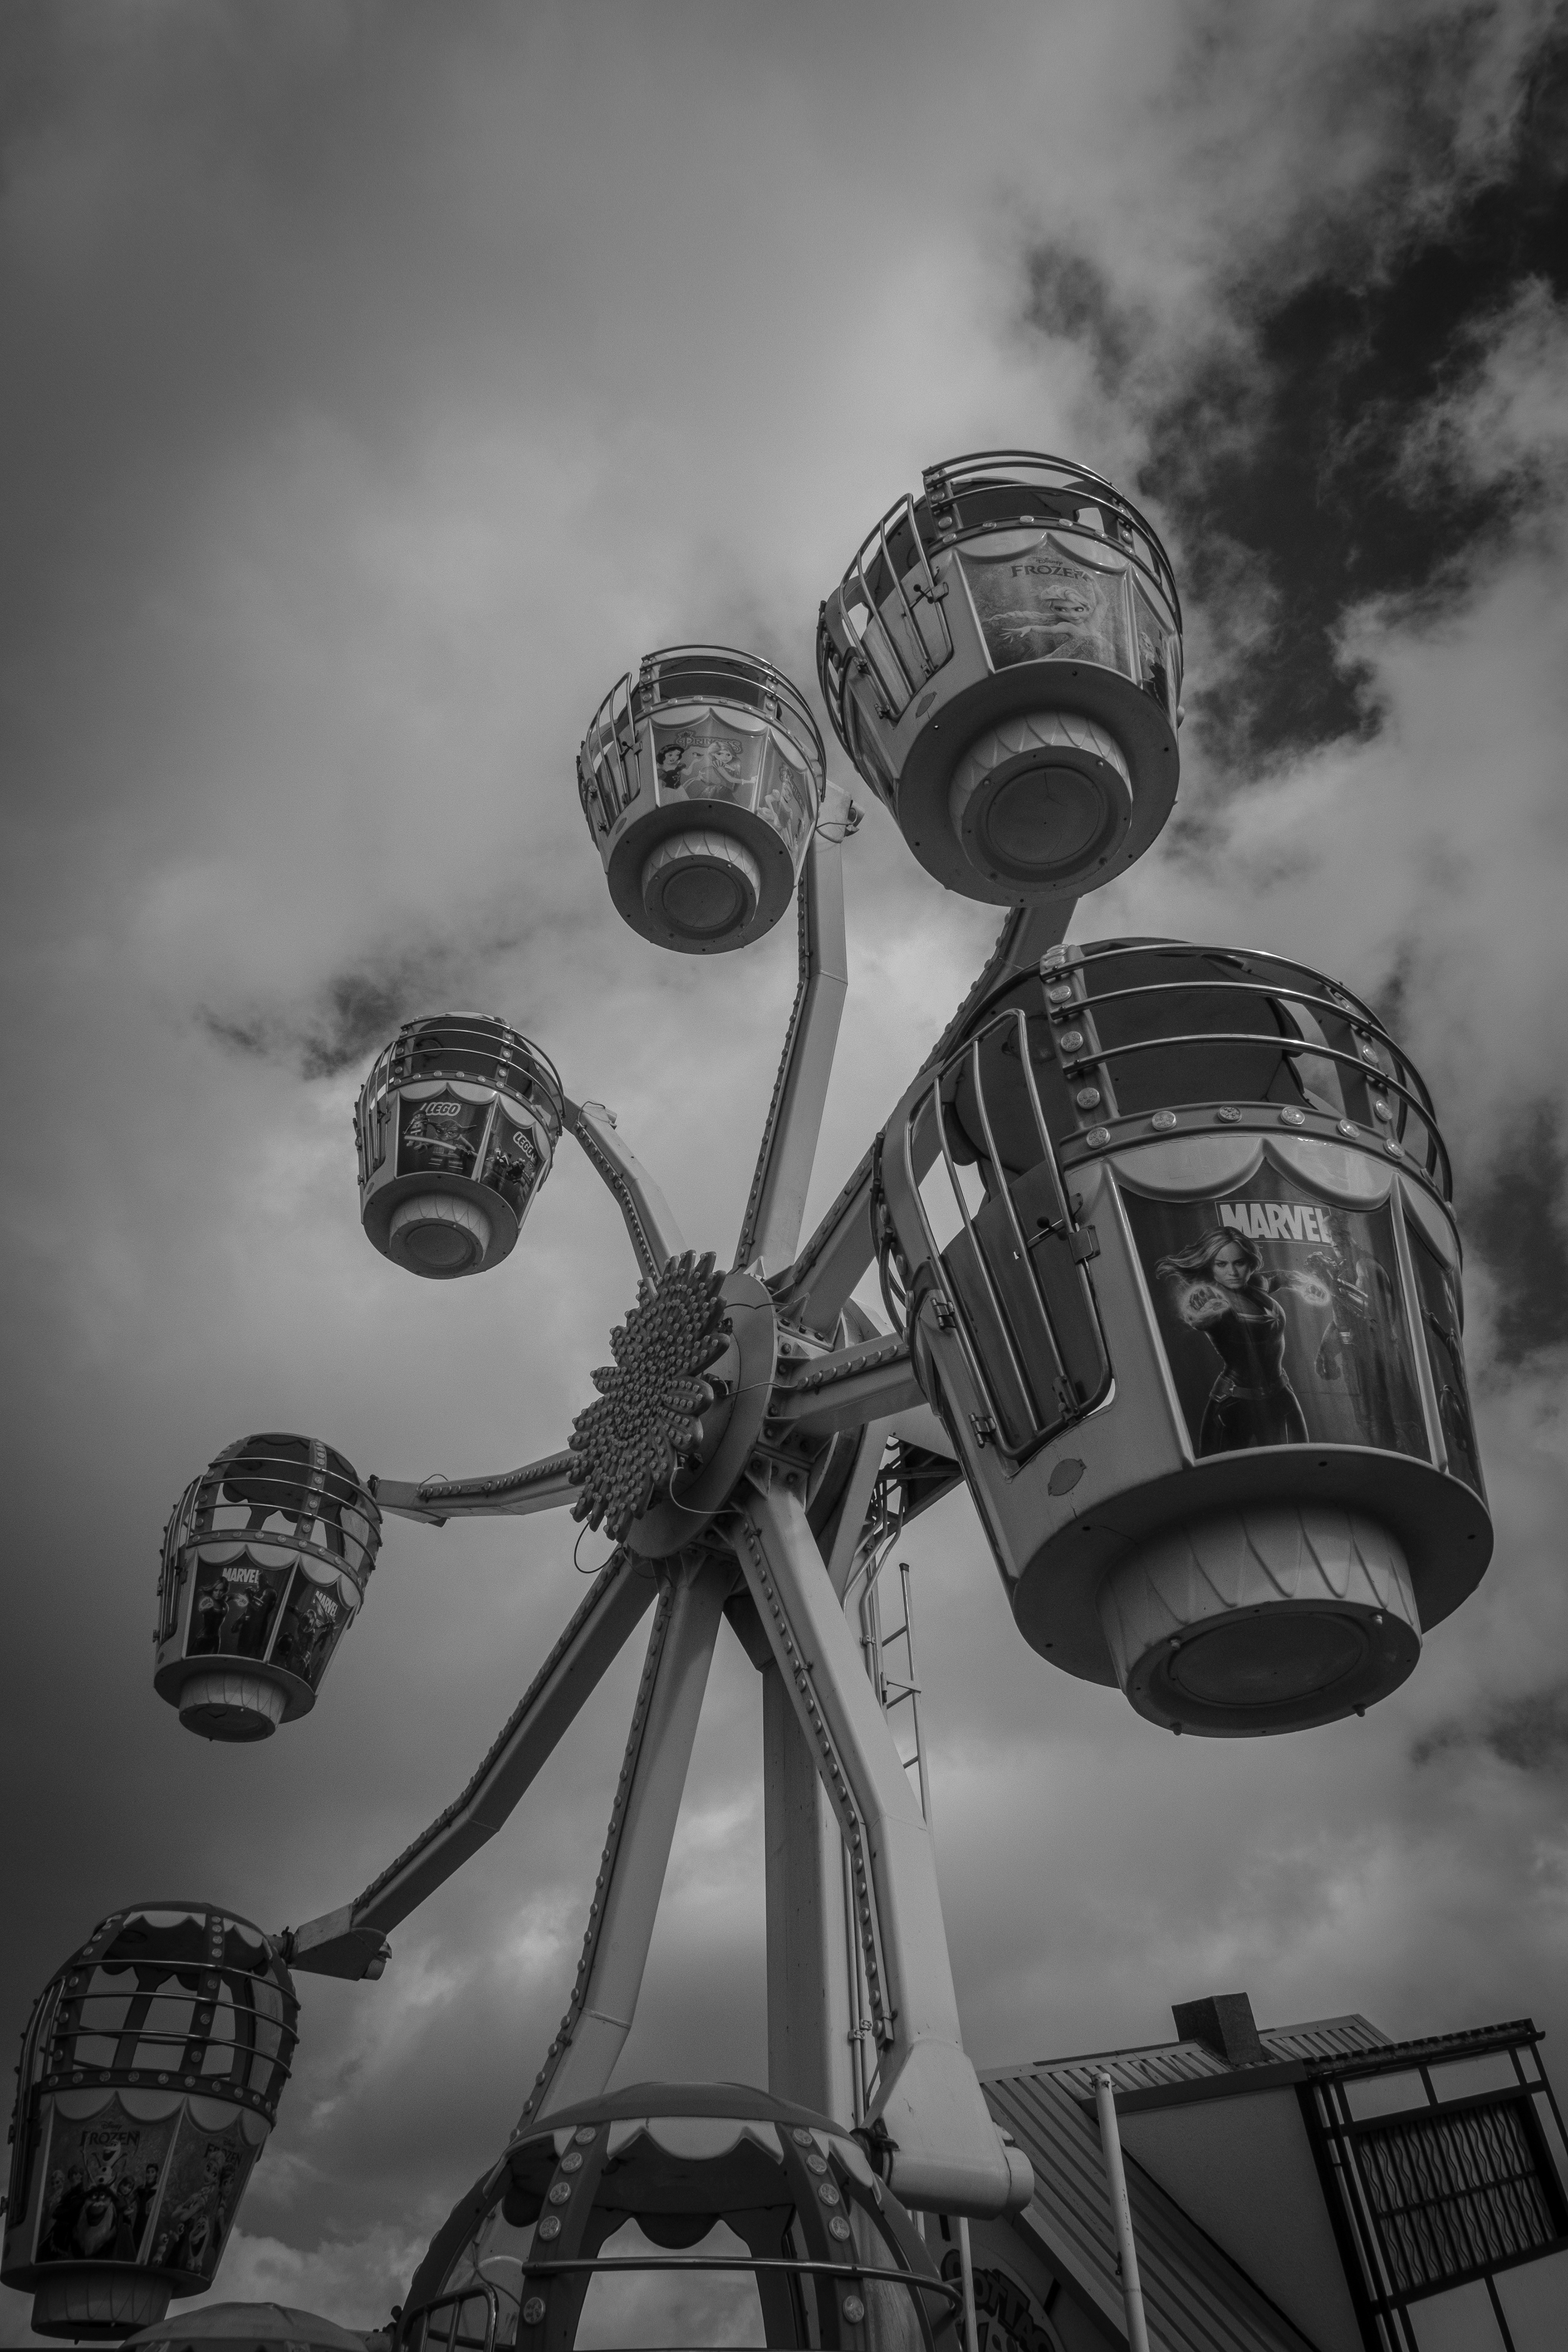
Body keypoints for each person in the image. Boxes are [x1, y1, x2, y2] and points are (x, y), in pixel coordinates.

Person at [1155, 1226, 1330, 1454]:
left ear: (1250, 1263)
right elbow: (1197, 1316)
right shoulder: (1214, 1299)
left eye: (1239, 1263)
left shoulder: (1254, 1285)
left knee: (1300, 1471)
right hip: (1234, 1405)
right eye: (1222, 1265)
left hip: (1280, 1396)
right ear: (1210, 1266)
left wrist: (1306, 1286)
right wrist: (1199, 1308)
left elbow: (1281, 1277)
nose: (1233, 1272)